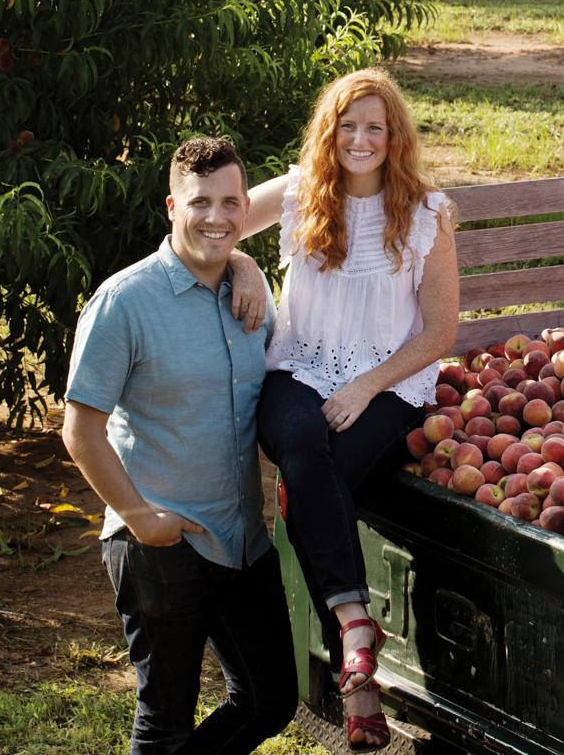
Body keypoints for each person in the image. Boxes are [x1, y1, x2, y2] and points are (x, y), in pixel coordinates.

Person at [235, 68, 459, 752]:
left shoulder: (426, 214)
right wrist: (245, 266)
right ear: (328, 133)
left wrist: (366, 387)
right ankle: (358, 632)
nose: (360, 139)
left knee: (307, 491)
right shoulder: (302, 191)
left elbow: (440, 332)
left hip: (391, 389)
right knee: (302, 442)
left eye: (374, 127)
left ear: (395, 138)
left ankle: (354, 664)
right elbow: (211, 224)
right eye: (347, 125)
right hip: (299, 371)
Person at [62, 136, 298, 755]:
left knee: (270, 699)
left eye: (229, 203)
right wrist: (141, 518)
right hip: (160, 542)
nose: (216, 217)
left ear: (246, 207)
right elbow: (80, 429)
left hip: (242, 538)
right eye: (200, 203)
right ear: (172, 206)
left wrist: (245, 266)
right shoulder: (125, 302)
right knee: (165, 720)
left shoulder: (250, 294)